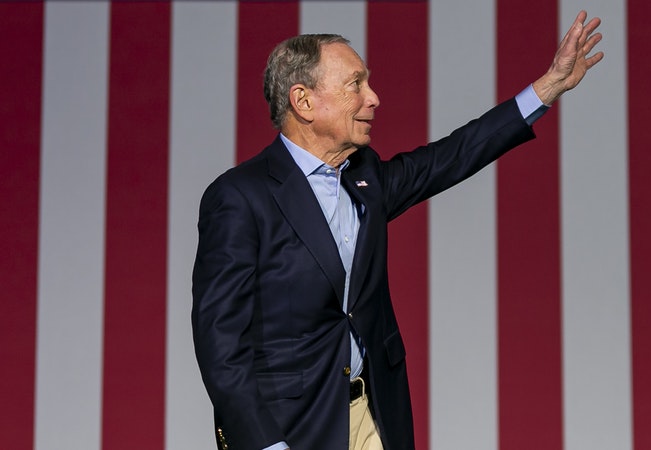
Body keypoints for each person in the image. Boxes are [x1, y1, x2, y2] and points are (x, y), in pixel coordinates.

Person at [192, 10, 603, 450]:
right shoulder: (241, 197)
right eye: (355, 84)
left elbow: (451, 157)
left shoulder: (364, 176)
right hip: (290, 429)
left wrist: (547, 88)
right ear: (303, 101)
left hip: (374, 416)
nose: (373, 98)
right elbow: (220, 343)